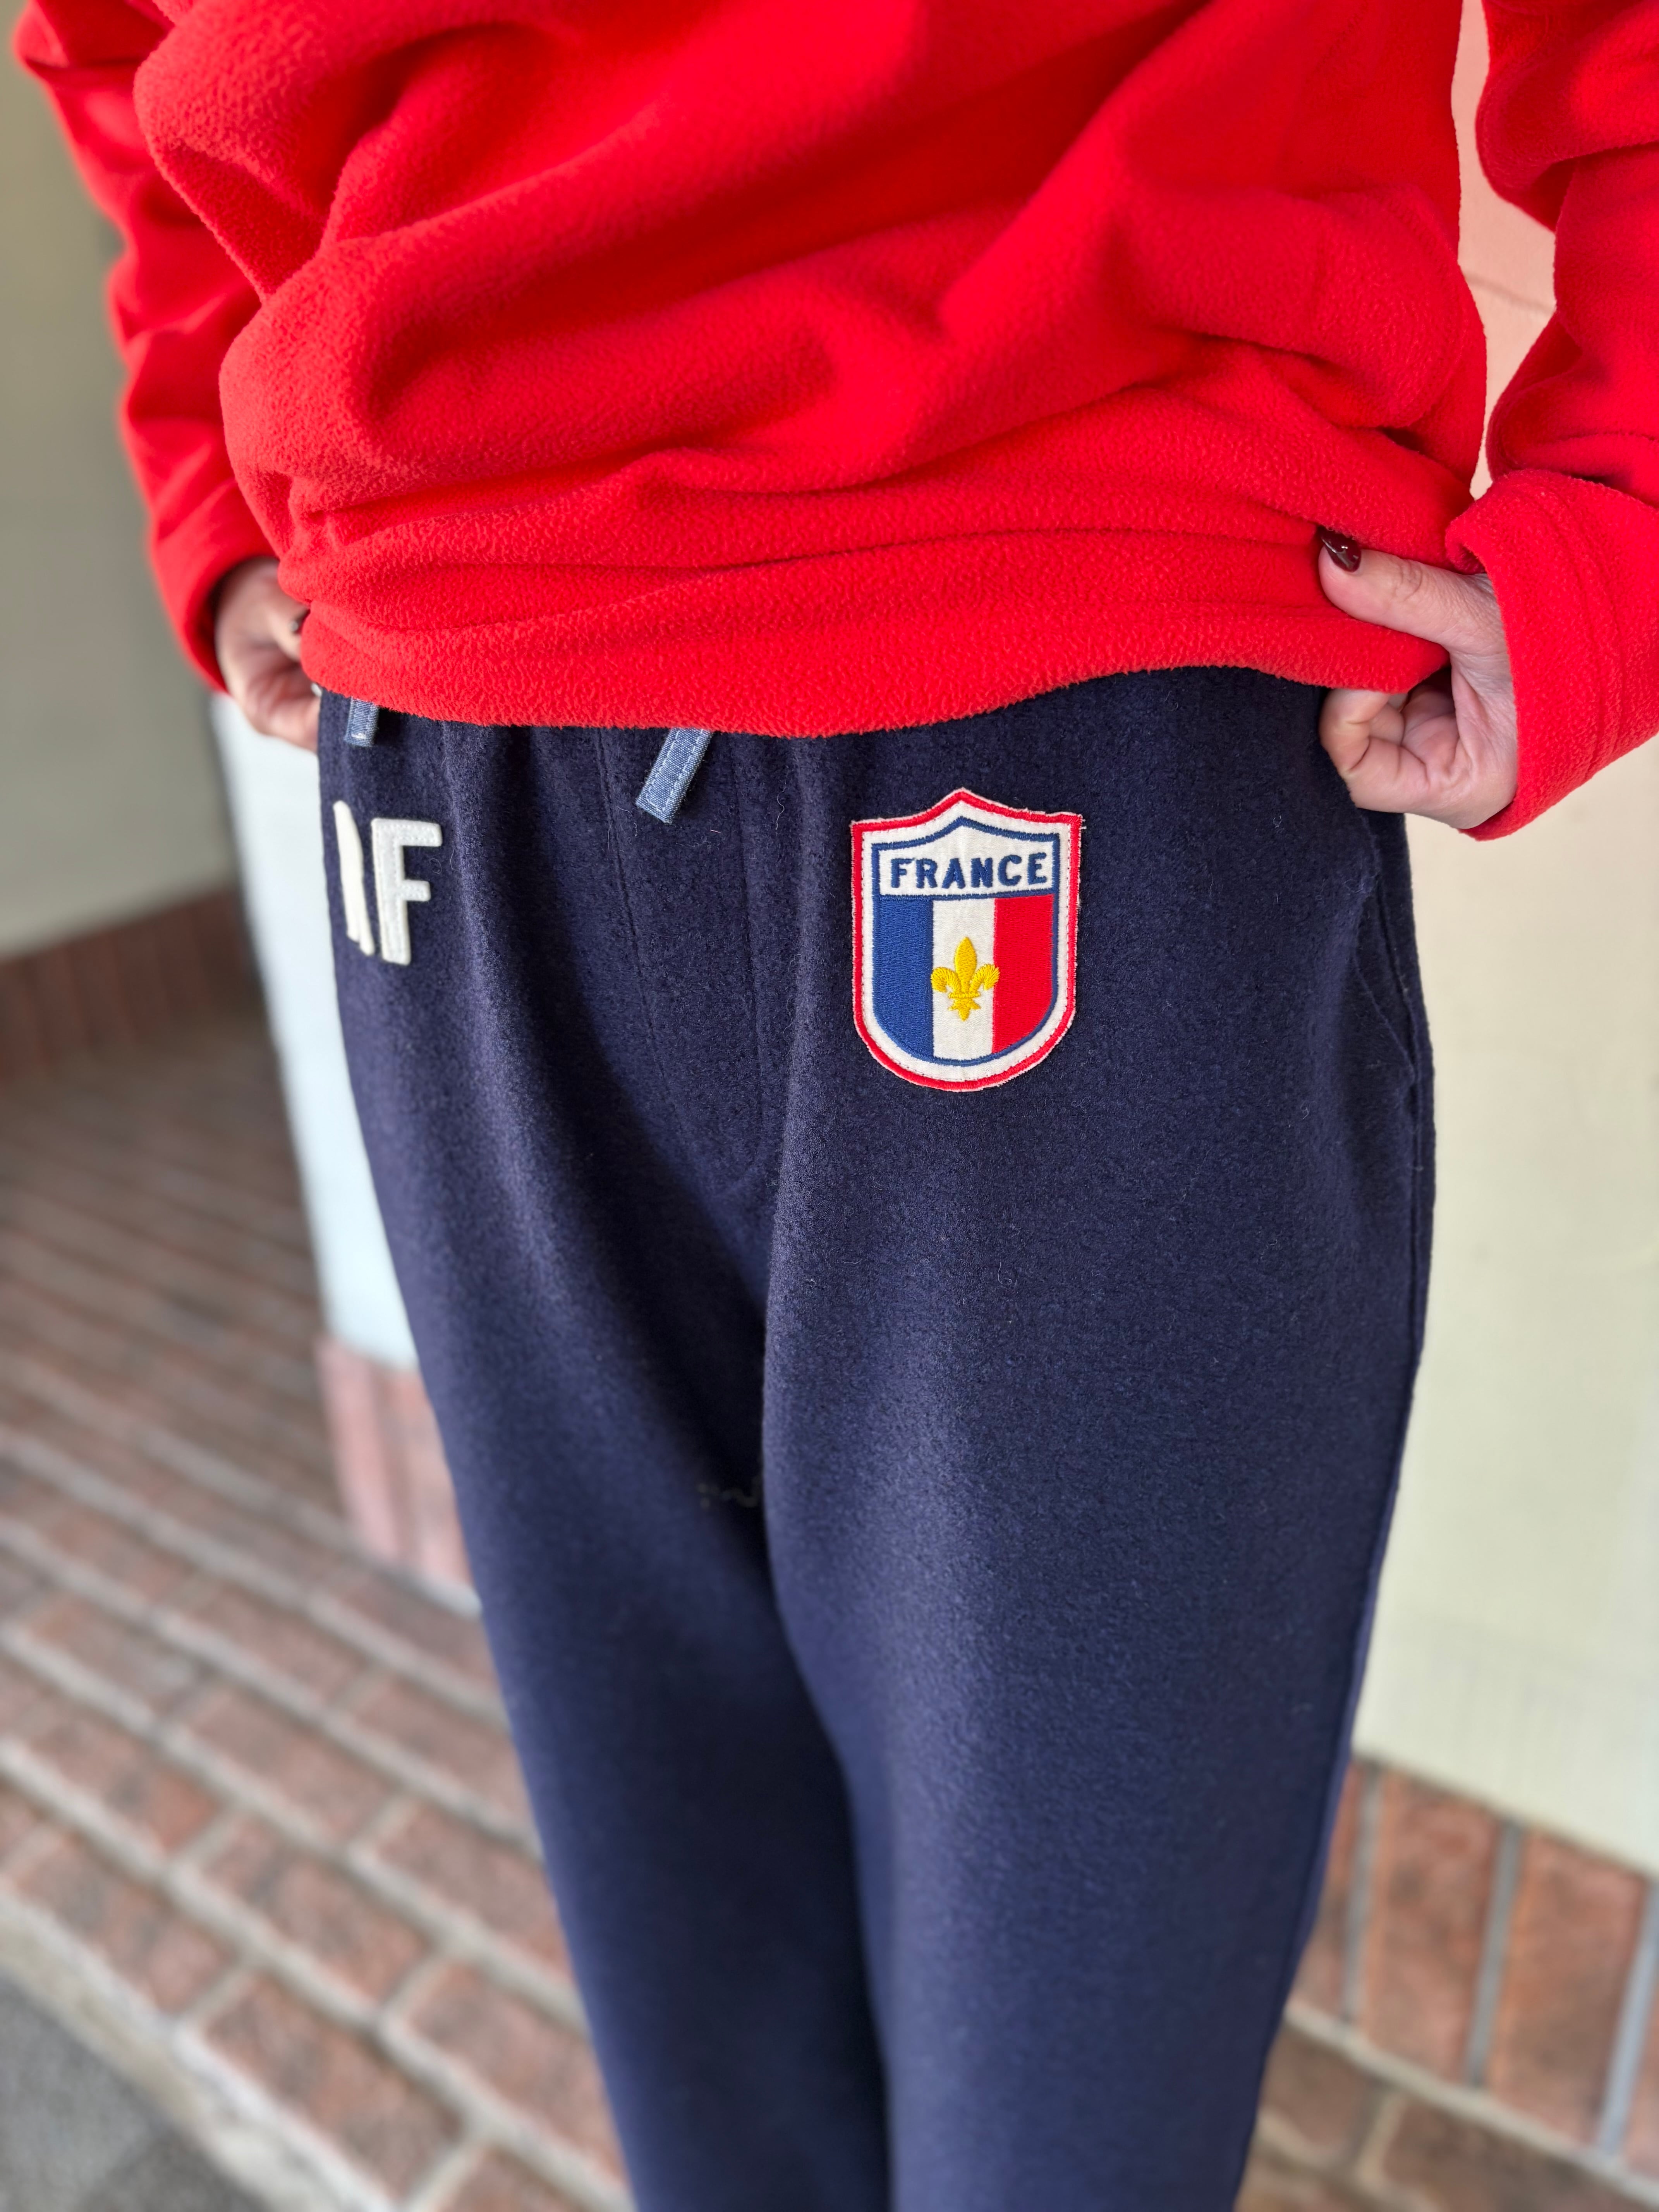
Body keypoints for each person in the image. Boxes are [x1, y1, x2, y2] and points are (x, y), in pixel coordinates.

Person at [17, 2, 1658, 2205]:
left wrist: (1624, 510)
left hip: (1076, 643)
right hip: (453, 713)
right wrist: (213, 467)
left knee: (1063, 2074)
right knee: (710, 2016)